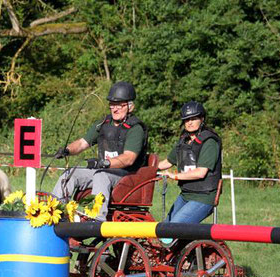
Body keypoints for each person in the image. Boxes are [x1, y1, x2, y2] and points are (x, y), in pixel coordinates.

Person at [51, 81, 148, 221]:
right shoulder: (103, 124)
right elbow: (82, 143)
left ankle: (97, 219)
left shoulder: (135, 129)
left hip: (126, 176)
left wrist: (103, 163)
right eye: (112, 104)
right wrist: (67, 150)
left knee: (101, 175)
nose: (115, 109)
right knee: (70, 173)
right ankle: (56, 212)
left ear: (130, 106)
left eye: (119, 105)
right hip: (104, 170)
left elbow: (129, 158)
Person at [157, 101, 222, 243]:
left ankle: (188, 257)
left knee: (171, 232)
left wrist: (175, 175)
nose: (190, 122)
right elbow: (166, 162)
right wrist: (147, 168)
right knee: (163, 231)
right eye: (187, 120)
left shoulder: (209, 142)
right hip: (186, 195)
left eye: (194, 119)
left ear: (202, 119)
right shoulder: (183, 142)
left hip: (204, 197)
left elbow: (201, 172)